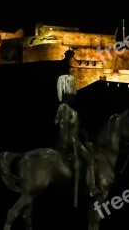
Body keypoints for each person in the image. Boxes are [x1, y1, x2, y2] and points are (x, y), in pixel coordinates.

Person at [54, 75, 99, 204]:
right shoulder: (64, 108)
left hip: (74, 139)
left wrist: (81, 132)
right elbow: (63, 128)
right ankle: (92, 188)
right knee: (90, 159)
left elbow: (72, 127)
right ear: (66, 94)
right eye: (70, 94)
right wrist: (70, 142)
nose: (73, 96)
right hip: (70, 141)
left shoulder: (68, 108)